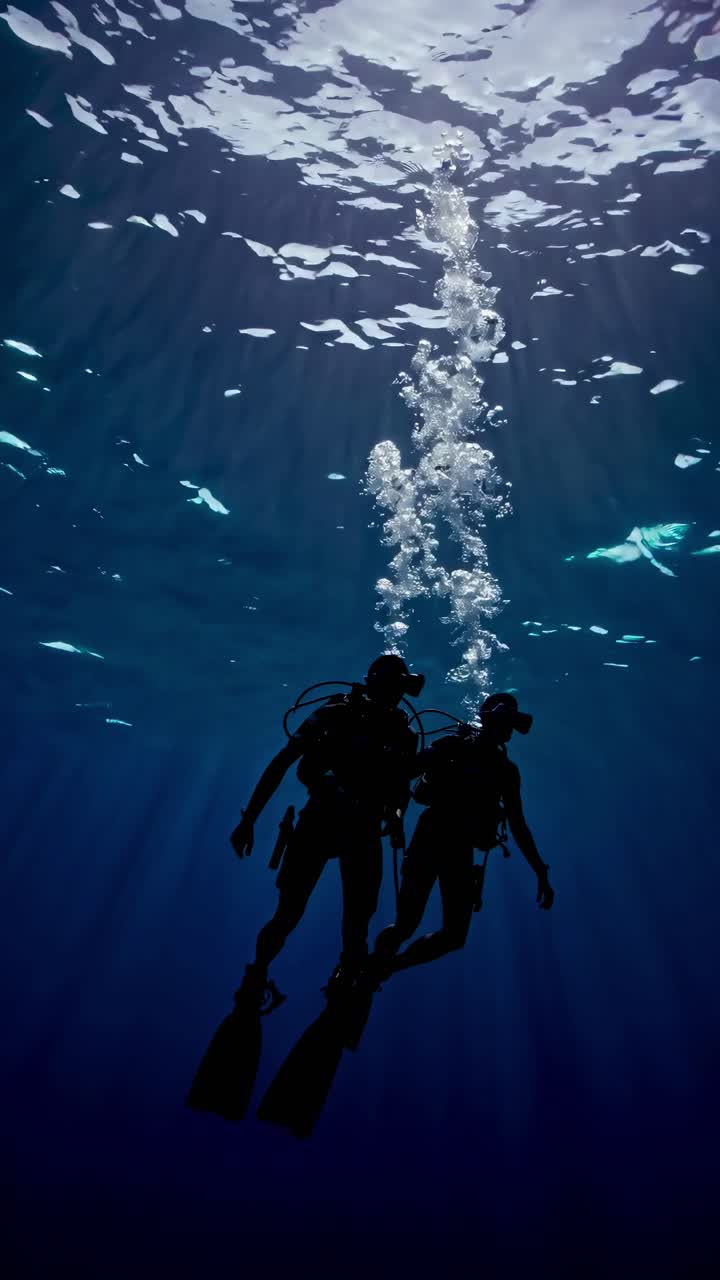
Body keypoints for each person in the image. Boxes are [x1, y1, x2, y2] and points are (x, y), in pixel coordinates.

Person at [229, 655, 423, 1011]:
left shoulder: (403, 735)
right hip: (322, 820)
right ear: (374, 683)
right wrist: (249, 818)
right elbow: (283, 762)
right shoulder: (336, 714)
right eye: (389, 684)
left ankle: (341, 979)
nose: (393, 694)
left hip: (357, 827)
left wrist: (396, 818)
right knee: (290, 913)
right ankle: (258, 973)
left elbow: (400, 791)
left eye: (398, 686)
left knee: (356, 920)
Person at [370, 692, 554, 982]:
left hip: (458, 849)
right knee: (406, 925)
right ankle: (373, 967)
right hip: (431, 839)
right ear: (487, 718)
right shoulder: (451, 746)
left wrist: (540, 869)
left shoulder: (506, 771)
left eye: (511, 720)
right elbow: (404, 774)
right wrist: (393, 813)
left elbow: (518, 825)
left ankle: (380, 970)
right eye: (503, 717)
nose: (508, 727)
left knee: (453, 936)